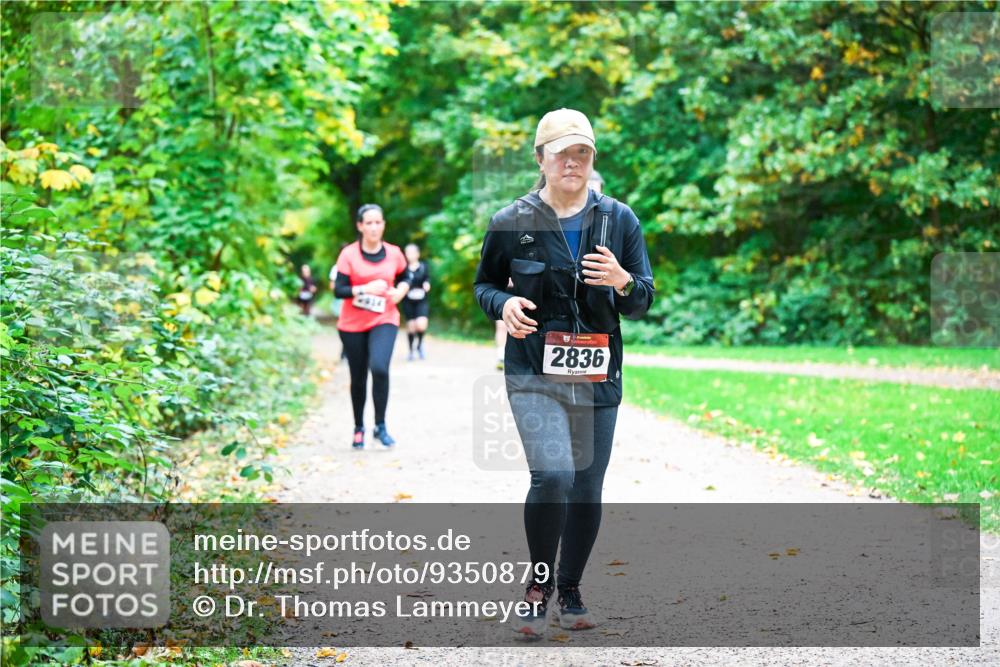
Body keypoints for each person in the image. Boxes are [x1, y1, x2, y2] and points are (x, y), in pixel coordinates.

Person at [473, 108, 654, 640]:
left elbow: (643, 299)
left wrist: (623, 281)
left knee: (587, 487)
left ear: (591, 159)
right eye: (562, 153)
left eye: (582, 153)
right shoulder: (512, 220)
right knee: (553, 474)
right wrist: (502, 303)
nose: (572, 162)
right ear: (541, 159)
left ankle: (570, 588)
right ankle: (539, 582)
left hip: (597, 371)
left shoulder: (619, 220)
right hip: (533, 367)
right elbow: (484, 285)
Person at [332, 204, 409, 449]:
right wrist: (363, 289)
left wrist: (402, 290)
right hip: (352, 324)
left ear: (383, 225)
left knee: (379, 368)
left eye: (378, 222)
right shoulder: (349, 255)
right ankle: (358, 428)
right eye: (369, 223)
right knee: (358, 377)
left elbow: (407, 276)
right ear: (360, 226)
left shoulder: (395, 253)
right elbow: (338, 289)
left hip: (384, 318)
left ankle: (380, 426)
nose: (374, 227)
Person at [401, 243, 431, 360]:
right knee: (411, 326)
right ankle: (411, 350)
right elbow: (399, 282)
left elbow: (427, 278)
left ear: (417, 254)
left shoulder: (423, 266)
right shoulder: (403, 269)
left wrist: (426, 284)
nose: (410, 255)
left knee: (421, 325)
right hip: (408, 301)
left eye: (412, 252)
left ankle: (419, 345)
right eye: (407, 252)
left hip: (421, 300)